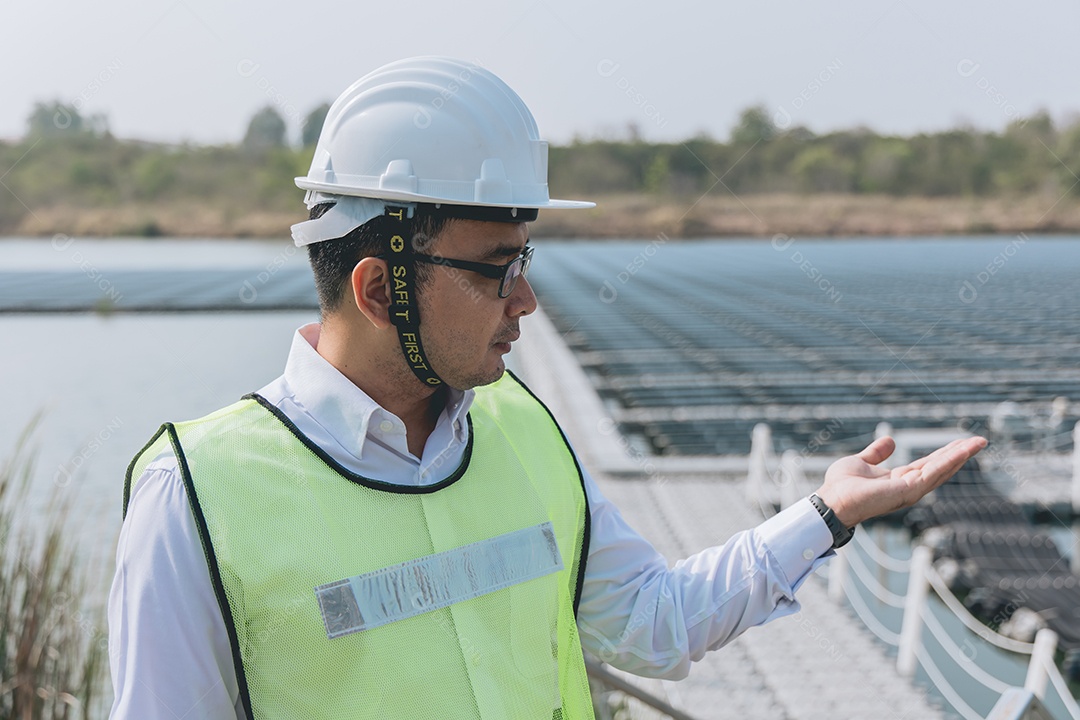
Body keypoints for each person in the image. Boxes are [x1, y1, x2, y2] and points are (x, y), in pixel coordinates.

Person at [107, 56, 986, 720]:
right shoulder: (196, 499)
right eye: (496, 270)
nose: (525, 300)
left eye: (524, 261)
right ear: (380, 290)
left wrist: (826, 515)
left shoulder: (523, 430)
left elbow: (650, 623)